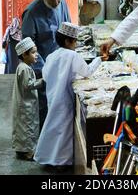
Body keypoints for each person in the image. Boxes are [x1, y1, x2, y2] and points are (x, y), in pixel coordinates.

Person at [34, 22, 105, 173]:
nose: (77, 44)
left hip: (53, 96)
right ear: (68, 41)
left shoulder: (52, 55)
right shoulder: (73, 56)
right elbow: (87, 72)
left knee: (52, 126)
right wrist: (99, 59)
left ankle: (47, 157)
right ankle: (60, 161)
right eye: (75, 41)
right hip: (65, 99)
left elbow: (45, 75)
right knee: (63, 130)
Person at [21, 0, 71, 128]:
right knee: (45, 105)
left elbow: (68, 29)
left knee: (62, 102)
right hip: (41, 67)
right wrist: (45, 70)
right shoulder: (32, 12)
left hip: (61, 62)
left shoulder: (62, 3)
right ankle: (43, 139)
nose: (56, 2)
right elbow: (28, 47)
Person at [12, 37, 44, 161]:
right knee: (28, 128)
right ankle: (28, 152)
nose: (36, 55)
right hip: (26, 105)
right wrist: (43, 81)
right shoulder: (25, 68)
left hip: (25, 103)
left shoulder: (23, 66)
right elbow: (29, 85)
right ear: (24, 55)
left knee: (23, 128)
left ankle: (22, 149)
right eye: (33, 52)